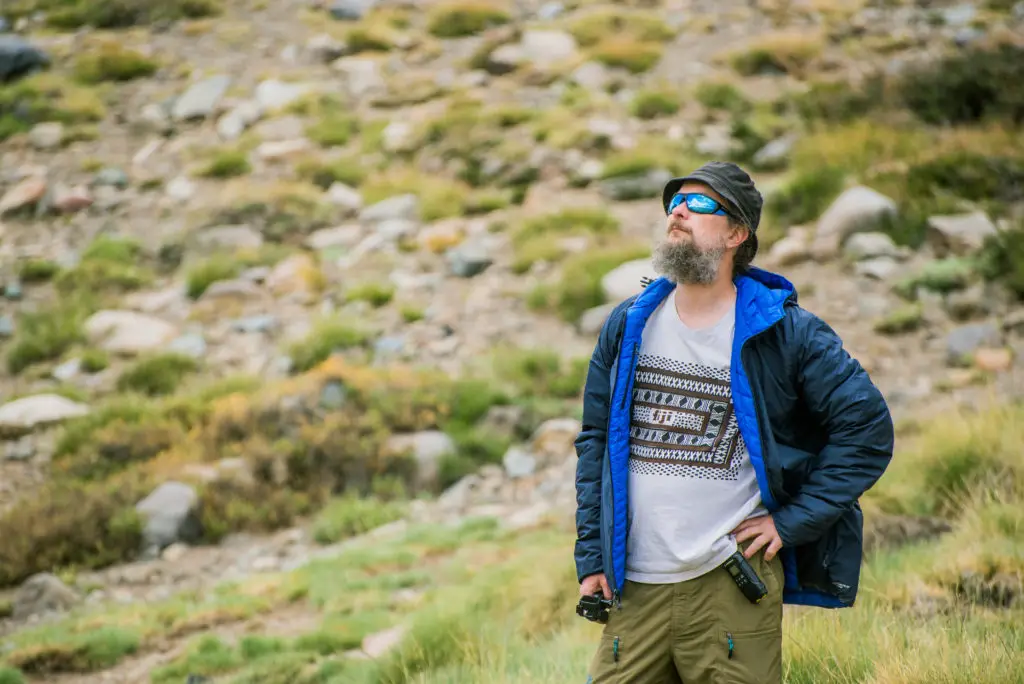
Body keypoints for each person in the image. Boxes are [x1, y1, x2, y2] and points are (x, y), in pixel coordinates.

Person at [574, 161, 895, 683]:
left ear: (736, 233)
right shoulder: (629, 323)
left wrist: (790, 522)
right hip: (634, 586)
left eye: (701, 205)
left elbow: (868, 430)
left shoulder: (787, 333)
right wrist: (592, 557)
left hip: (730, 584)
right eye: (676, 201)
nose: (679, 210)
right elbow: (593, 441)